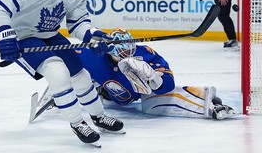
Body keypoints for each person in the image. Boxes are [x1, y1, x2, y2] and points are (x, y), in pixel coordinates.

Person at [0, 0, 124, 147]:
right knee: (58, 72)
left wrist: (94, 35)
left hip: (50, 33)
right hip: (25, 35)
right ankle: (77, 122)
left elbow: (78, 21)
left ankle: (98, 116)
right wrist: (4, 36)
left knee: (81, 75)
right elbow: (0, 6)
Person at [37, 28, 235, 120]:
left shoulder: (145, 53)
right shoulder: (91, 56)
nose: (128, 55)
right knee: (82, 83)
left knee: (155, 103)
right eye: (122, 53)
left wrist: (155, 79)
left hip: (139, 94)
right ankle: (56, 97)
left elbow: (168, 81)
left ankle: (208, 104)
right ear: (111, 52)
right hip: (106, 96)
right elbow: (61, 54)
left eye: (129, 50)